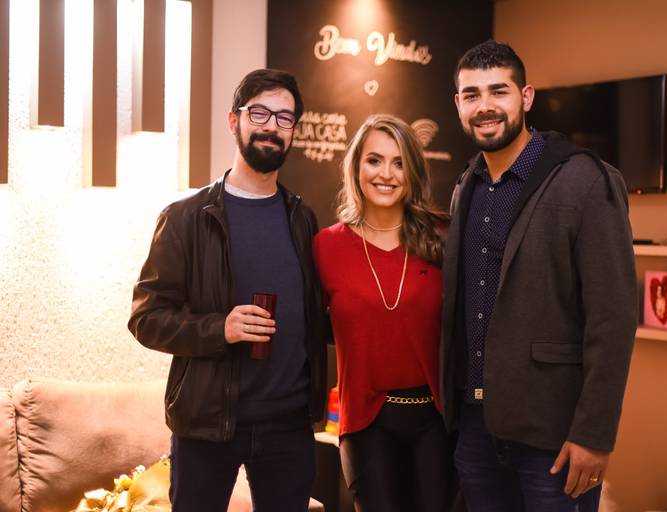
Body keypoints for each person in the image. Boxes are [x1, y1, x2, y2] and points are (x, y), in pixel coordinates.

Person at [440, 40, 637, 511]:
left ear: (526, 97)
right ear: (458, 105)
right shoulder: (466, 185)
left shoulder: (584, 180)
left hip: (554, 436)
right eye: (472, 95)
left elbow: (613, 318)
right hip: (476, 428)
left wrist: (594, 434)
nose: (485, 106)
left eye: (499, 91)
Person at [128, 69, 327, 512]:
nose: (272, 126)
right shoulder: (186, 218)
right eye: (260, 113)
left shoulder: (302, 219)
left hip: (289, 425)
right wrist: (222, 329)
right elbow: (146, 319)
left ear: (294, 131)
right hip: (207, 423)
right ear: (234, 121)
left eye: (285, 118)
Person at [313, 114, 452, 512]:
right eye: (374, 160)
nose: (386, 174)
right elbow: (312, 330)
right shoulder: (326, 247)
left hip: (437, 423)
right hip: (364, 425)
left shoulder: (445, 237)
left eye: (399, 163)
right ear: (356, 167)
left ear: (413, 172)